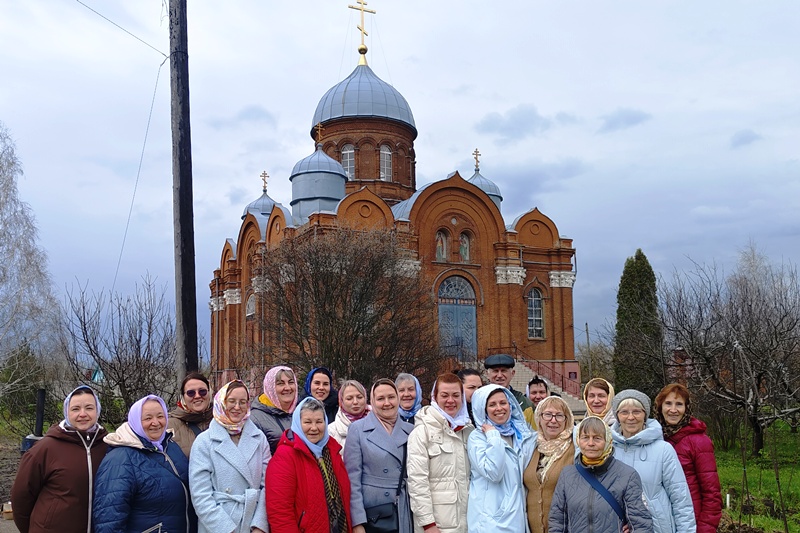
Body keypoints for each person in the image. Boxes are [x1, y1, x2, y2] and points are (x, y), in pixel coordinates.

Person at [11, 386, 108, 533]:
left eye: (89, 408)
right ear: (66, 412)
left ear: (97, 411)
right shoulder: (44, 449)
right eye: (75, 409)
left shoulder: (108, 446)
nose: (83, 414)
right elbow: (21, 499)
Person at [93, 395, 194, 533]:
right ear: (135, 421)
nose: (156, 422)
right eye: (148, 418)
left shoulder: (170, 446)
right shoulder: (120, 459)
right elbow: (109, 521)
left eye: (160, 416)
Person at [189, 380, 270, 533]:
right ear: (221, 402)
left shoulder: (259, 438)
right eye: (231, 401)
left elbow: (268, 485)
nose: (237, 407)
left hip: (252, 523)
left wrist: (260, 525)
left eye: (242, 402)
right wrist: (226, 529)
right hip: (217, 526)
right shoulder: (204, 442)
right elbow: (201, 495)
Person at [611, 390, 695, 533]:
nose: (630, 417)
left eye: (637, 411)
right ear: (617, 416)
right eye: (624, 412)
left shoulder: (663, 450)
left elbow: (681, 500)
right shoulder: (607, 450)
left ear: (645, 415)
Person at [549, 416, 652, 533]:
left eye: (597, 438)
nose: (591, 443)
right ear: (578, 440)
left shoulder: (627, 475)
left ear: (608, 441)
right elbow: (557, 520)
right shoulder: (567, 475)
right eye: (585, 438)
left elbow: (641, 524)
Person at [266, 397, 352, 532]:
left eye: (319, 421)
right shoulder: (285, 456)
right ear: (298, 424)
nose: (314, 428)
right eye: (307, 422)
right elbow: (280, 512)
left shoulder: (331, 450)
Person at [344, 379, 414, 533]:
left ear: (398, 398)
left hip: (403, 507)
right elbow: (352, 480)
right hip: (373, 513)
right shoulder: (358, 429)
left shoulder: (412, 430)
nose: (387, 403)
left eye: (391, 397)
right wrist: (357, 522)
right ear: (372, 401)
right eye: (380, 399)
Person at [407, 373, 473, 533]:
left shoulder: (468, 431)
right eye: (445, 395)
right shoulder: (422, 432)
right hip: (437, 526)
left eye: (456, 395)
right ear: (434, 397)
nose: (451, 401)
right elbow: (417, 482)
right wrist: (428, 524)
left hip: (468, 522)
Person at [466, 384, 535, 533]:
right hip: (491, 522)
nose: (499, 408)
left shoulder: (520, 434)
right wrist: (493, 436)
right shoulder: (478, 438)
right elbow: (493, 472)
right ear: (483, 409)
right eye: (492, 405)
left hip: (517, 518)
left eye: (503, 403)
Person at [655, 384, 721, 533]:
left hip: (691, 521)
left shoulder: (699, 442)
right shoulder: (654, 438)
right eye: (668, 403)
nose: (673, 410)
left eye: (679, 404)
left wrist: (705, 528)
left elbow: (712, 493)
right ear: (660, 407)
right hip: (661, 522)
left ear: (686, 408)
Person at [524, 395, 575, 533]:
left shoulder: (575, 448)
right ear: (539, 419)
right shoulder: (529, 447)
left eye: (559, 415)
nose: (553, 420)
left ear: (567, 420)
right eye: (547, 415)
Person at [251, 365, 298, 454]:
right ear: (270, 388)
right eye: (281, 383)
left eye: (291, 382)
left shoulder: (301, 411)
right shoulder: (255, 419)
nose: (287, 388)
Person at [168, 371, 213, 458]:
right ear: (183, 397)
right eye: (191, 393)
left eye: (202, 391)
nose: (197, 396)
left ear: (209, 393)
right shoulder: (169, 426)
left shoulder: (222, 421)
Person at [483, 354, 535, 427]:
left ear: (512, 373)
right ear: (487, 374)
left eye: (504, 371)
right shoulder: (480, 400)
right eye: (495, 371)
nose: (499, 375)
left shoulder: (523, 403)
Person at [329, 379, 370, 451]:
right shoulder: (331, 431)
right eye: (349, 398)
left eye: (359, 397)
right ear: (341, 401)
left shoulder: (379, 423)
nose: (355, 402)